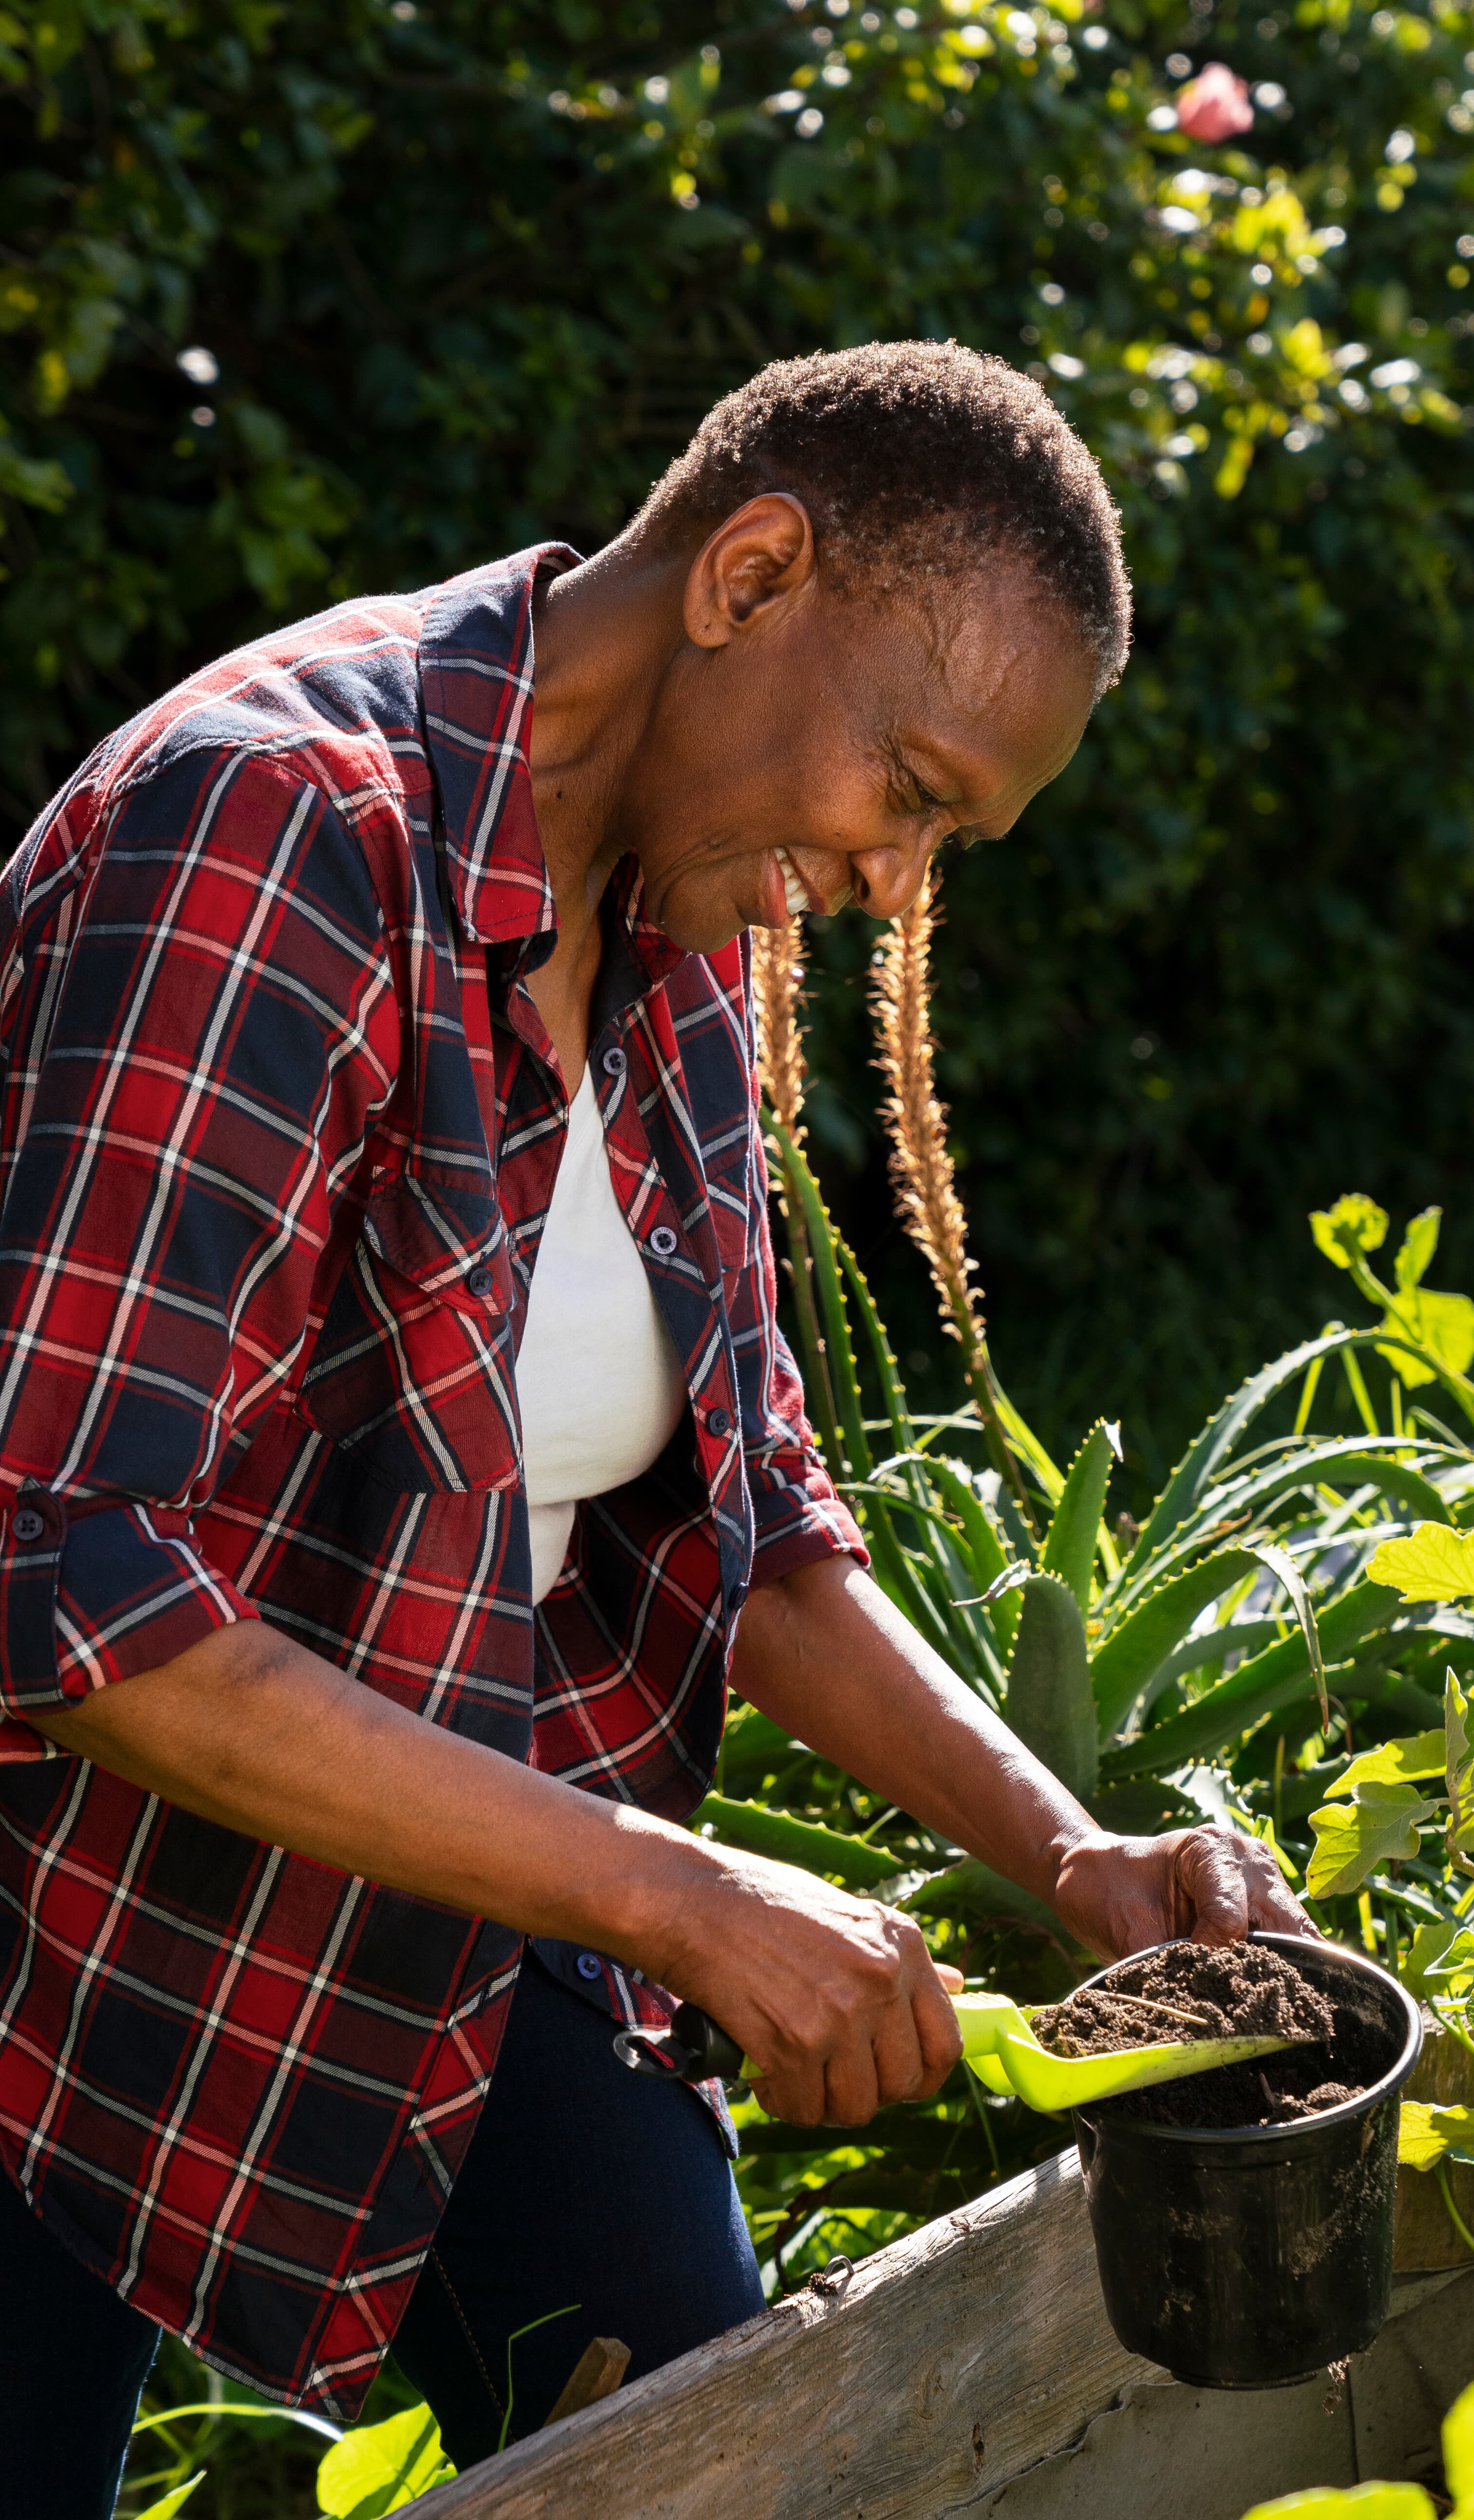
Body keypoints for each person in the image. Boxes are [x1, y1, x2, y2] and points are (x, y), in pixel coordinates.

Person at [0, 340, 1309, 2514]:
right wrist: (676, 1894)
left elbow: (750, 1515)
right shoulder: (274, 832)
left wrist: (1067, 1854)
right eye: (910, 784)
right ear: (752, 572)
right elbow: (70, 1581)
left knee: (723, 2445)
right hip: (60, 1936)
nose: (898, 880)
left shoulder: (678, 894)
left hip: (419, 1887)